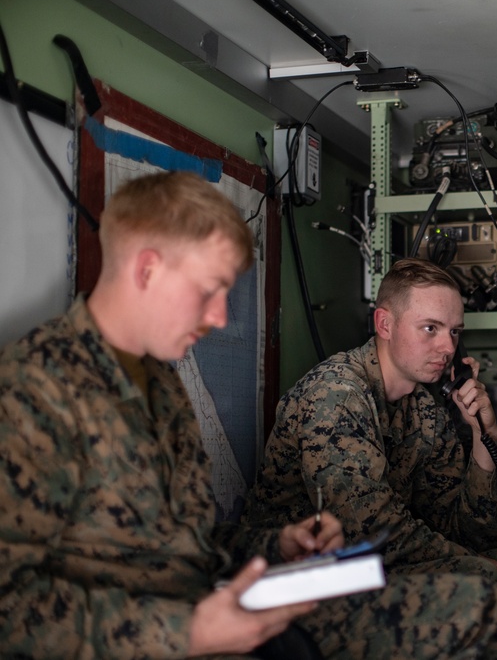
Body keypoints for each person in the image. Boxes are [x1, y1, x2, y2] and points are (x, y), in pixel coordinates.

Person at [0, 171, 345, 658]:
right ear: (147, 270)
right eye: (210, 289)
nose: (221, 317)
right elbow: (10, 611)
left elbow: (185, 544)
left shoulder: (161, 382)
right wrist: (187, 633)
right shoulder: (33, 391)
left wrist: (277, 547)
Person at [243, 257, 497, 659]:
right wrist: (480, 567)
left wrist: (484, 436)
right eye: (431, 328)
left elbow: (474, 536)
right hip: (302, 580)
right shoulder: (337, 394)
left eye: (454, 332)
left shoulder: (424, 409)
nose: (448, 347)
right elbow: (368, 531)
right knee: (482, 577)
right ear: (385, 325)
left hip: (371, 566)